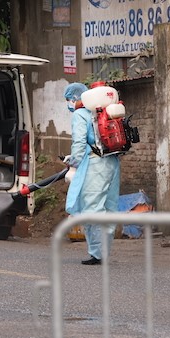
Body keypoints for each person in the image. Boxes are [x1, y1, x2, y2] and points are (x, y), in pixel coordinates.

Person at [63, 82, 121, 265]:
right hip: (113, 162)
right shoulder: (106, 111)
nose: (69, 104)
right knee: (109, 208)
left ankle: (97, 253)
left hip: (95, 165)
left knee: (93, 209)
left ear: (74, 98)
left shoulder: (81, 115)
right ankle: (104, 251)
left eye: (68, 100)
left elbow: (79, 143)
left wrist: (73, 163)